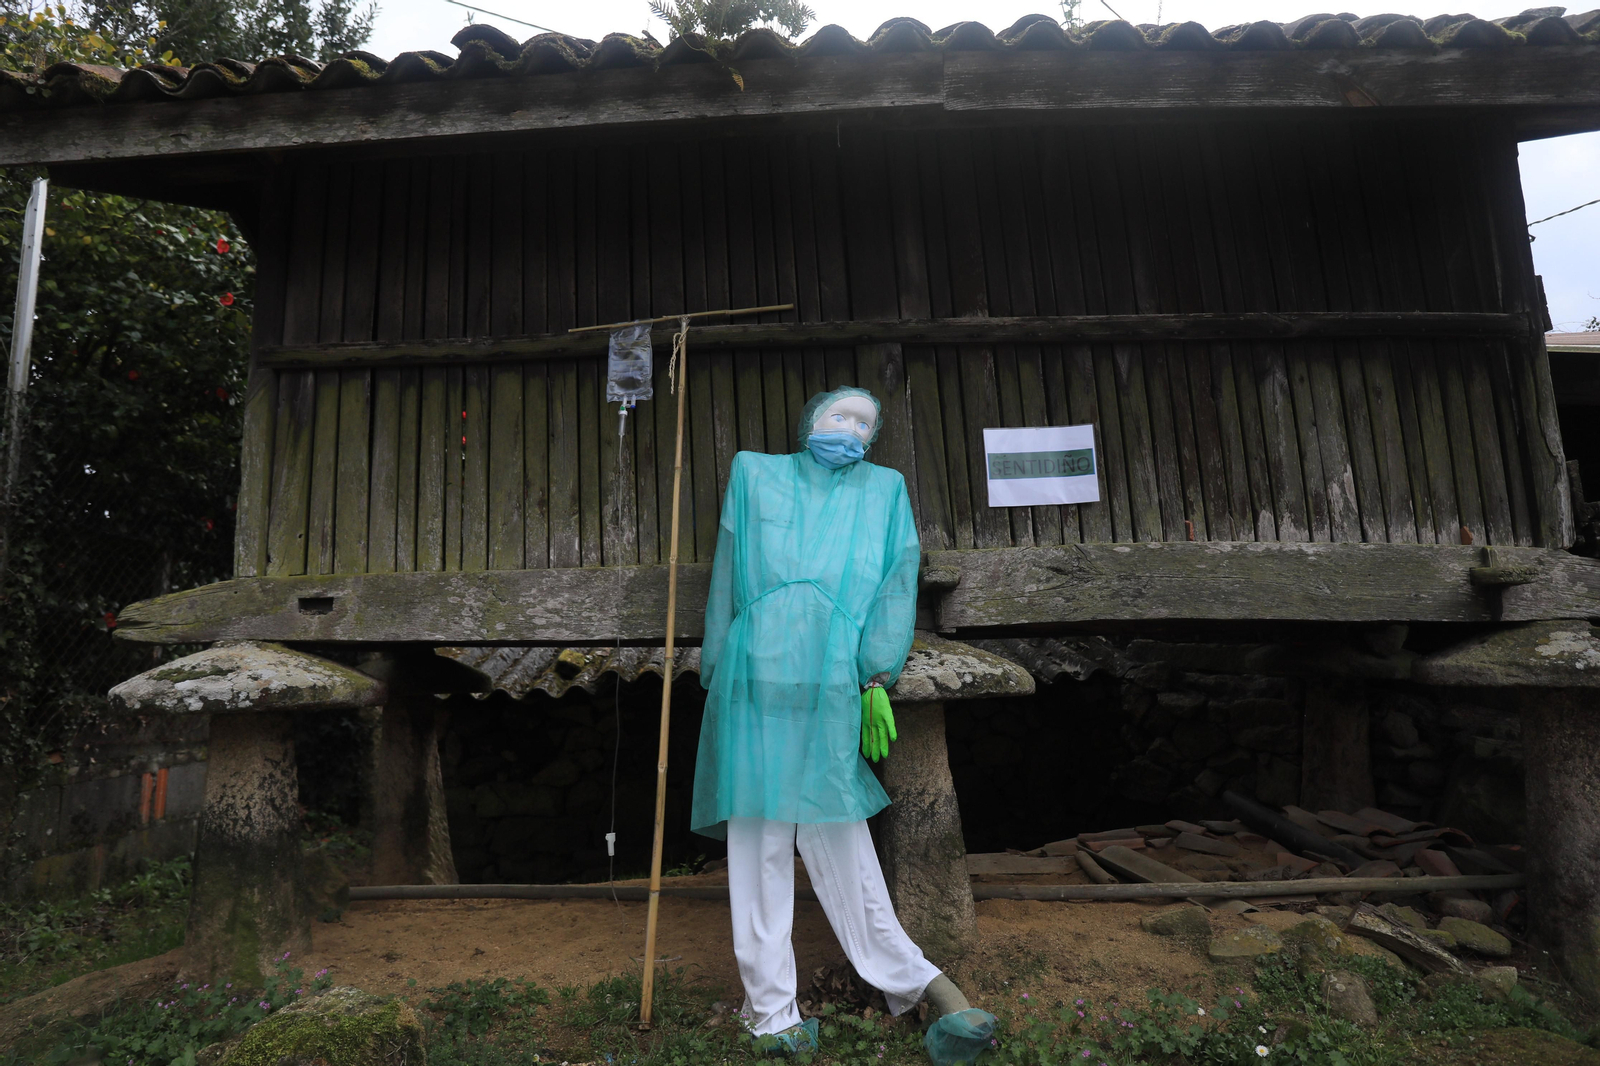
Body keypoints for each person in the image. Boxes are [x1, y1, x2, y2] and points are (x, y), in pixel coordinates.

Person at [691, 386, 993, 1061]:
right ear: (811, 420)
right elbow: (729, 570)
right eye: (840, 416)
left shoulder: (883, 490)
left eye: (864, 423)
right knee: (759, 844)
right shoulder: (755, 473)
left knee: (840, 834)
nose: (851, 429)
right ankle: (771, 1014)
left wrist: (875, 674)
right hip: (753, 675)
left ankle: (918, 982)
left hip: (831, 674)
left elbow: (896, 577)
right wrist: (716, 668)